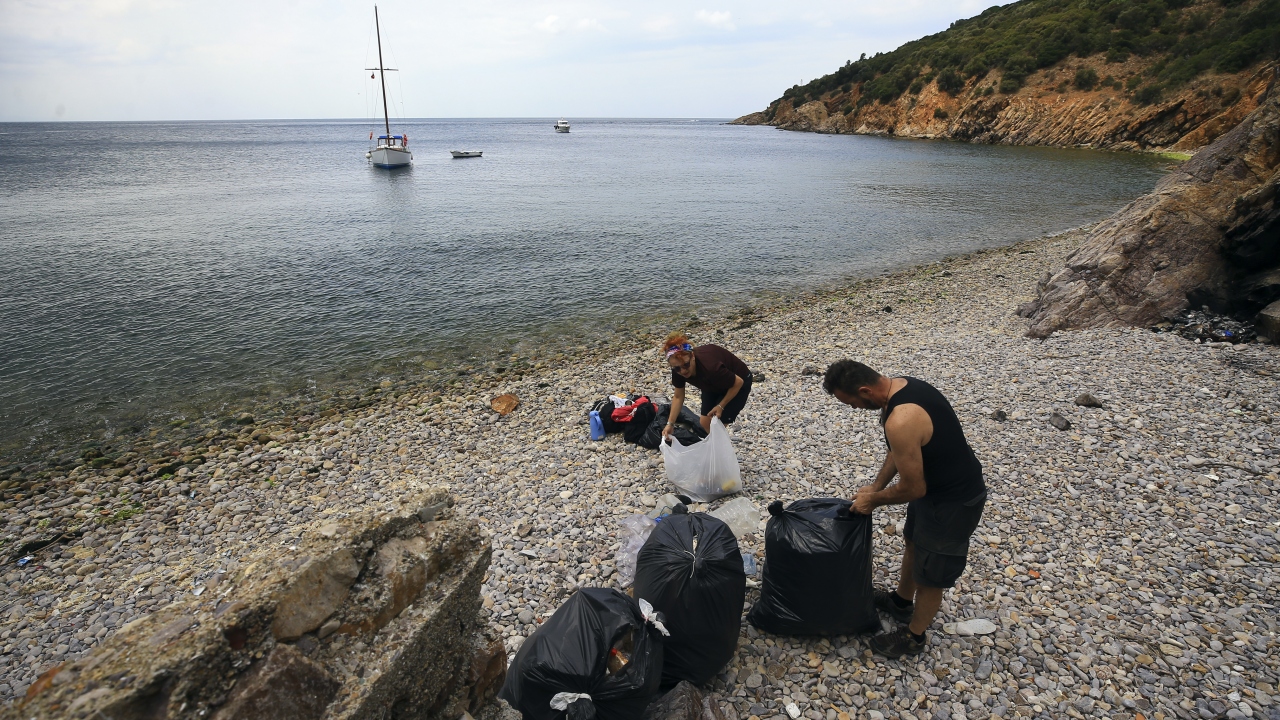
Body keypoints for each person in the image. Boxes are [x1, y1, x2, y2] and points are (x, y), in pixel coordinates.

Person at [823, 360, 987, 659]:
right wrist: (875, 486)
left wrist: (873, 501)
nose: (854, 409)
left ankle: (914, 637)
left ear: (865, 390)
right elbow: (898, 452)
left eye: (852, 403)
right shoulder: (898, 389)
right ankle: (900, 602)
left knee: (931, 576)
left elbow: (914, 489)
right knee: (913, 542)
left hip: (954, 500)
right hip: (934, 491)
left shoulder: (900, 418)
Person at [661, 333, 753, 441]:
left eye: (686, 365)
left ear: (693, 356)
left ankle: (721, 450)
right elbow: (678, 397)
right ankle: (717, 443)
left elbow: (738, 382)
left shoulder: (711, 367)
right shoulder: (678, 370)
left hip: (737, 383)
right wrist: (670, 424)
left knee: (718, 424)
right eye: (677, 368)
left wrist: (721, 406)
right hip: (711, 383)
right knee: (705, 422)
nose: (683, 371)